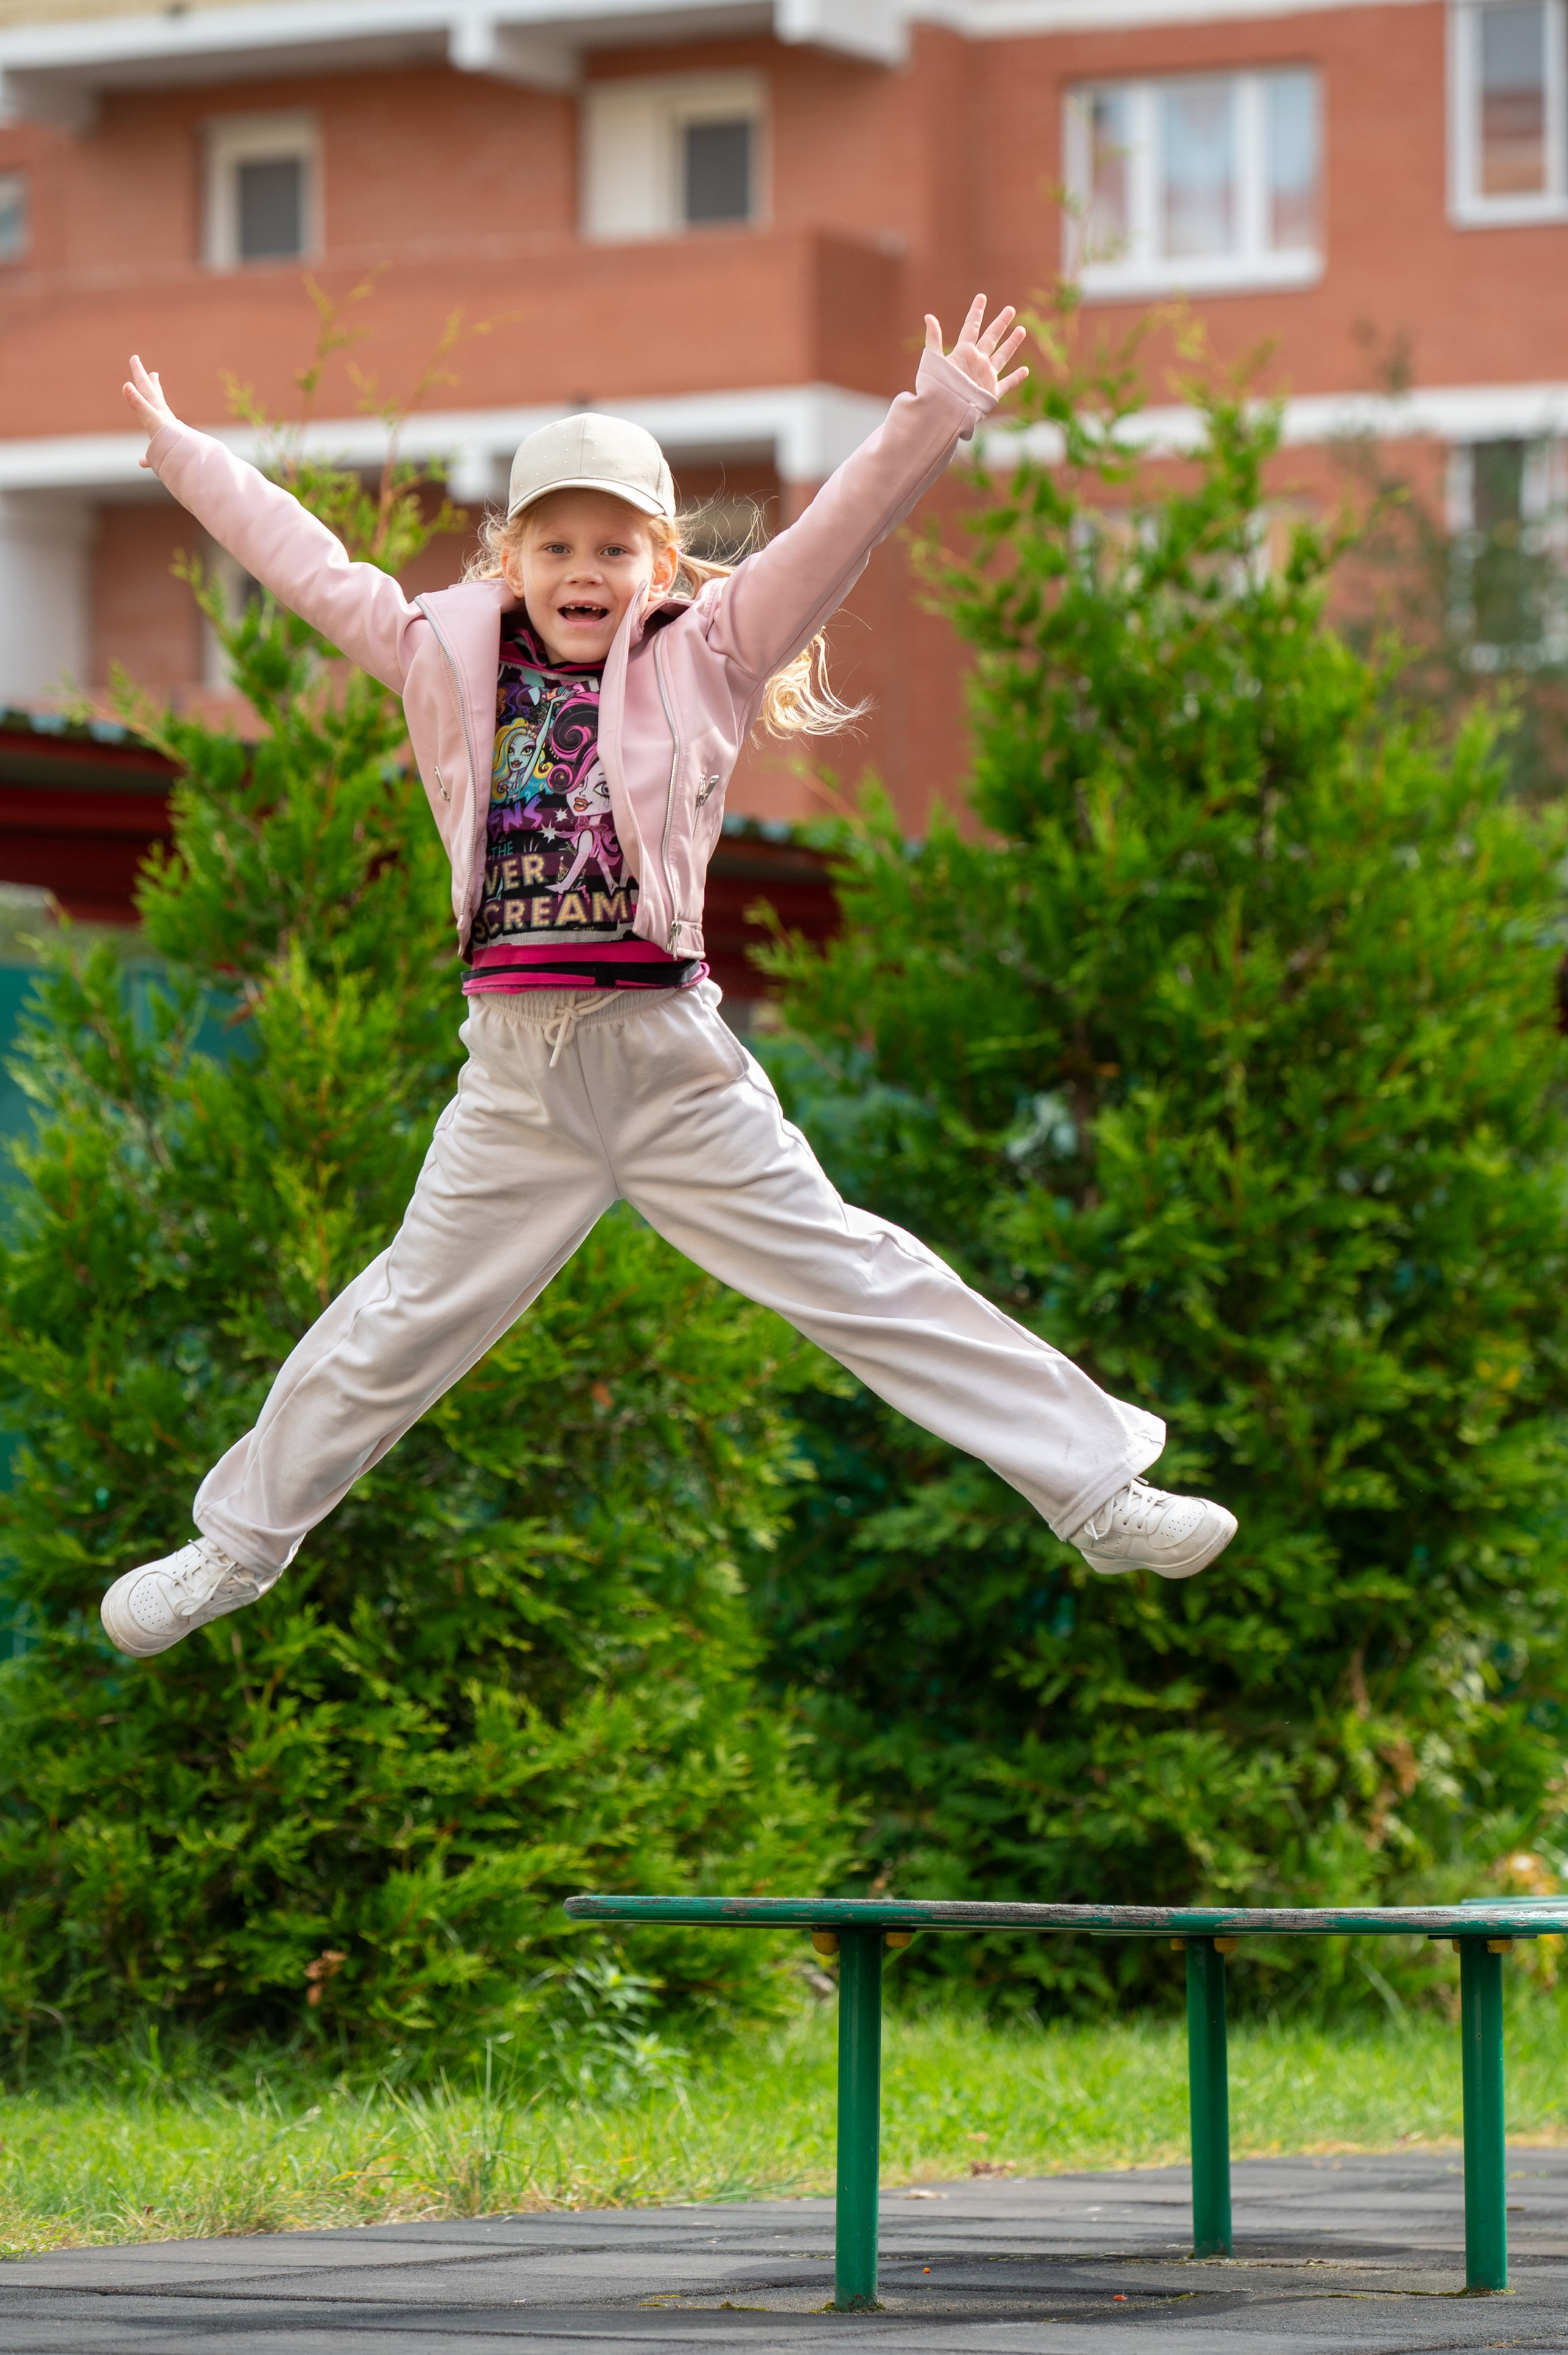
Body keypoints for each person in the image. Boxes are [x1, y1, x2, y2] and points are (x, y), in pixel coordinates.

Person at [100, 297, 1237, 1661]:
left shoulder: (710, 654)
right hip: (518, 1078)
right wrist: (183, 455)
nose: (584, 571)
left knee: (854, 1272)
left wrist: (935, 411)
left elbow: (836, 534)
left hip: (668, 1065)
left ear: (659, 563)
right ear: (512, 559)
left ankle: (1097, 1488)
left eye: (614, 548)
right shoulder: (436, 653)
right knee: (398, 1320)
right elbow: (310, 564)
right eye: (557, 546)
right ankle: (233, 1548)